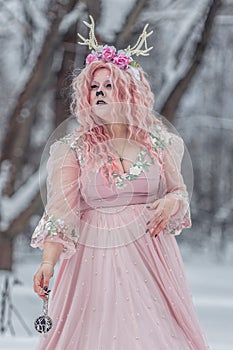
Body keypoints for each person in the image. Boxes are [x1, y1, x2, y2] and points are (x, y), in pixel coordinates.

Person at [31, 16, 209, 349]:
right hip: (93, 261)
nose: (99, 93)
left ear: (129, 90)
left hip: (152, 260)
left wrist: (171, 203)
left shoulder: (160, 143)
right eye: (94, 88)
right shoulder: (74, 148)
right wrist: (47, 262)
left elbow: (179, 193)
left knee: (153, 335)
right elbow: (61, 212)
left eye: (108, 86)